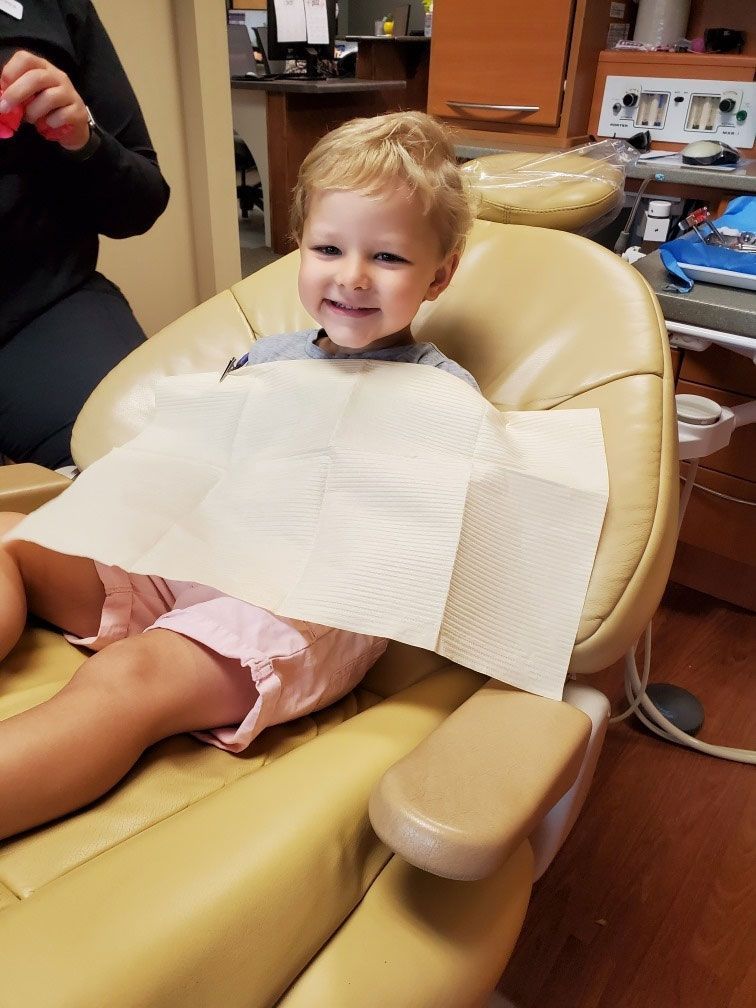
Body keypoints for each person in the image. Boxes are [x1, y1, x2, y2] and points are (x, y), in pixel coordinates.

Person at [0, 110, 477, 840]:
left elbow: (416, 539)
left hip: (297, 602)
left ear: (439, 274)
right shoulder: (266, 358)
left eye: (388, 259)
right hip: (191, 557)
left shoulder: (440, 394)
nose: (351, 276)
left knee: (128, 679)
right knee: (10, 536)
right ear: (298, 248)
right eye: (328, 248)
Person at [0, 1, 170, 471]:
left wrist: (83, 138)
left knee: (157, 466)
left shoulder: (52, 7)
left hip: (44, 311)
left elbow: (142, 203)